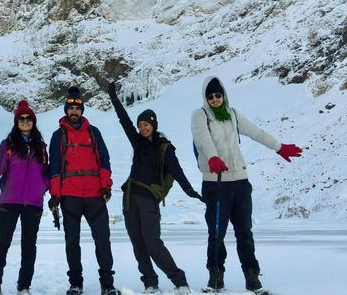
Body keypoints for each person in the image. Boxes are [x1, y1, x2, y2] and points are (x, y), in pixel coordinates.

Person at [190, 76, 302, 294]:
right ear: (206, 97)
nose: (215, 99)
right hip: (216, 182)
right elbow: (202, 139)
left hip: (240, 181)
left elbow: (255, 131)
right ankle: (216, 276)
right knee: (216, 233)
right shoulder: (200, 115)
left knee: (245, 232)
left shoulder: (232, 114)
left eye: (218, 95)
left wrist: (279, 147)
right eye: (210, 96)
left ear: (223, 95)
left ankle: (251, 275)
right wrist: (213, 157)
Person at [107, 82, 203, 295]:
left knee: (153, 243)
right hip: (130, 200)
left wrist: (190, 191)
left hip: (149, 200)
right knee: (138, 245)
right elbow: (123, 120)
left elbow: (176, 171)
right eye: (140, 125)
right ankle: (150, 283)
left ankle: (180, 281)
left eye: (146, 124)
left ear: (154, 124)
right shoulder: (138, 143)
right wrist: (113, 96)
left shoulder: (164, 147)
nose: (142, 128)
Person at [48, 86, 120, 295]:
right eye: (71, 108)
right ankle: (75, 283)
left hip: (95, 196)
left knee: (103, 240)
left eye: (77, 108)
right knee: (72, 242)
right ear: (66, 110)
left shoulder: (93, 132)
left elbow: (105, 161)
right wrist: (55, 195)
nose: (74, 112)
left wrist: (106, 185)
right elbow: (54, 168)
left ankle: (107, 283)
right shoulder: (58, 136)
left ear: (82, 110)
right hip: (70, 196)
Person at [0, 100, 50, 295]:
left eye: (29, 119)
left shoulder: (41, 147)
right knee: (2, 243)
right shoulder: (8, 144)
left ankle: (24, 285)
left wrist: (45, 188)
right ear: (16, 122)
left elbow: (45, 172)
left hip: (33, 203)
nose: (25, 121)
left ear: (33, 122)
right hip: (9, 200)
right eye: (22, 119)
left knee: (29, 246)